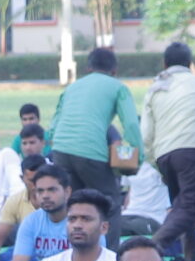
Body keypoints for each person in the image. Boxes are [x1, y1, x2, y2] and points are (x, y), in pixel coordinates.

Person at [46, 46, 142, 200]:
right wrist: (138, 157)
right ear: (114, 71)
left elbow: (52, 128)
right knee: (108, 200)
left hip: (61, 150)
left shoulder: (71, 88)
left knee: (72, 203)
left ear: (88, 69)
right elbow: (131, 124)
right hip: (90, 150)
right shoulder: (118, 87)